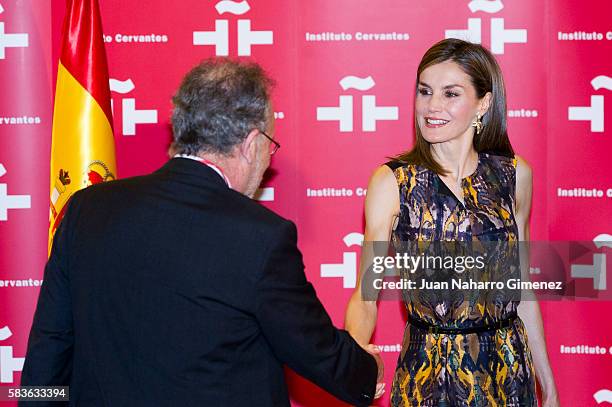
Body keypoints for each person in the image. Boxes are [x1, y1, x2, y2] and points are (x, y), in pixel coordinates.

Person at [21, 59, 382, 406]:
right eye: (270, 147)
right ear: (252, 143)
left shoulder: (87, 209)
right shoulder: (260, 237)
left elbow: (48, 352)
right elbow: (316, 350)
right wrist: (369, 371)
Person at [345, 39, 559, 406]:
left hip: (508, 372)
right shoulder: (393, 182)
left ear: (484, 103)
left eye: (450, 94)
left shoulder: (514, 176)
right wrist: (358, 353)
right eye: (425, 91)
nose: (432, 106)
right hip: (429, 375)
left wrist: (549, 387)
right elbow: (366, 296)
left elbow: (521, 290)